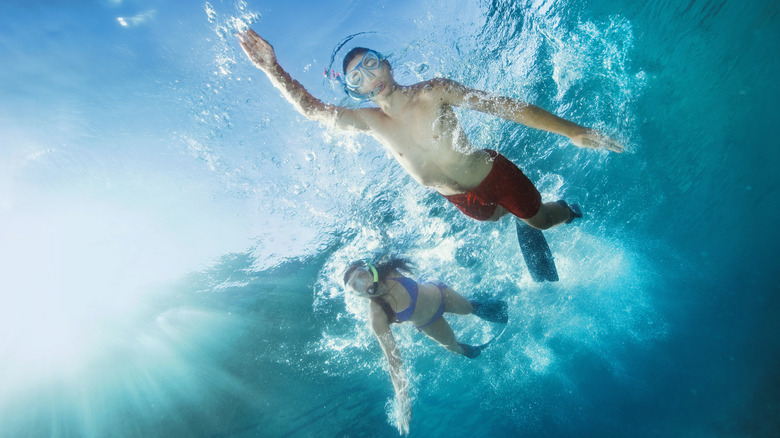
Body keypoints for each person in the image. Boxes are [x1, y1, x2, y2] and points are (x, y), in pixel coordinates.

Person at [237, 29, 624, 230]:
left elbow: (507, 108)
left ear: (387, 65)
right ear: (353, 91)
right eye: (357, 77)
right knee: (495, 220)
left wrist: (572, 130)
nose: (368, 76)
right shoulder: (371, 122)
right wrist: (273, 69)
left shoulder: (434, 92)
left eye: (371, 64)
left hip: (493, 175)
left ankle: (567, 212)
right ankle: (517, 218)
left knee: (539, 220)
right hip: (462, 201)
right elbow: (312, 111)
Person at [342, 257, 508, 434]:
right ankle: (484, 351)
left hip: (441, 294)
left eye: (361, 276)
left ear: (369, 271)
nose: (362, 284)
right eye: (356, 287)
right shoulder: (377, 315)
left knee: (468, 309)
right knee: (454, 348)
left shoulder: (388, 271)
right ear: (357, 295)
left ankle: (498, 306)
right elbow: (393, 360)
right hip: (429, 322)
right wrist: (402, 399)